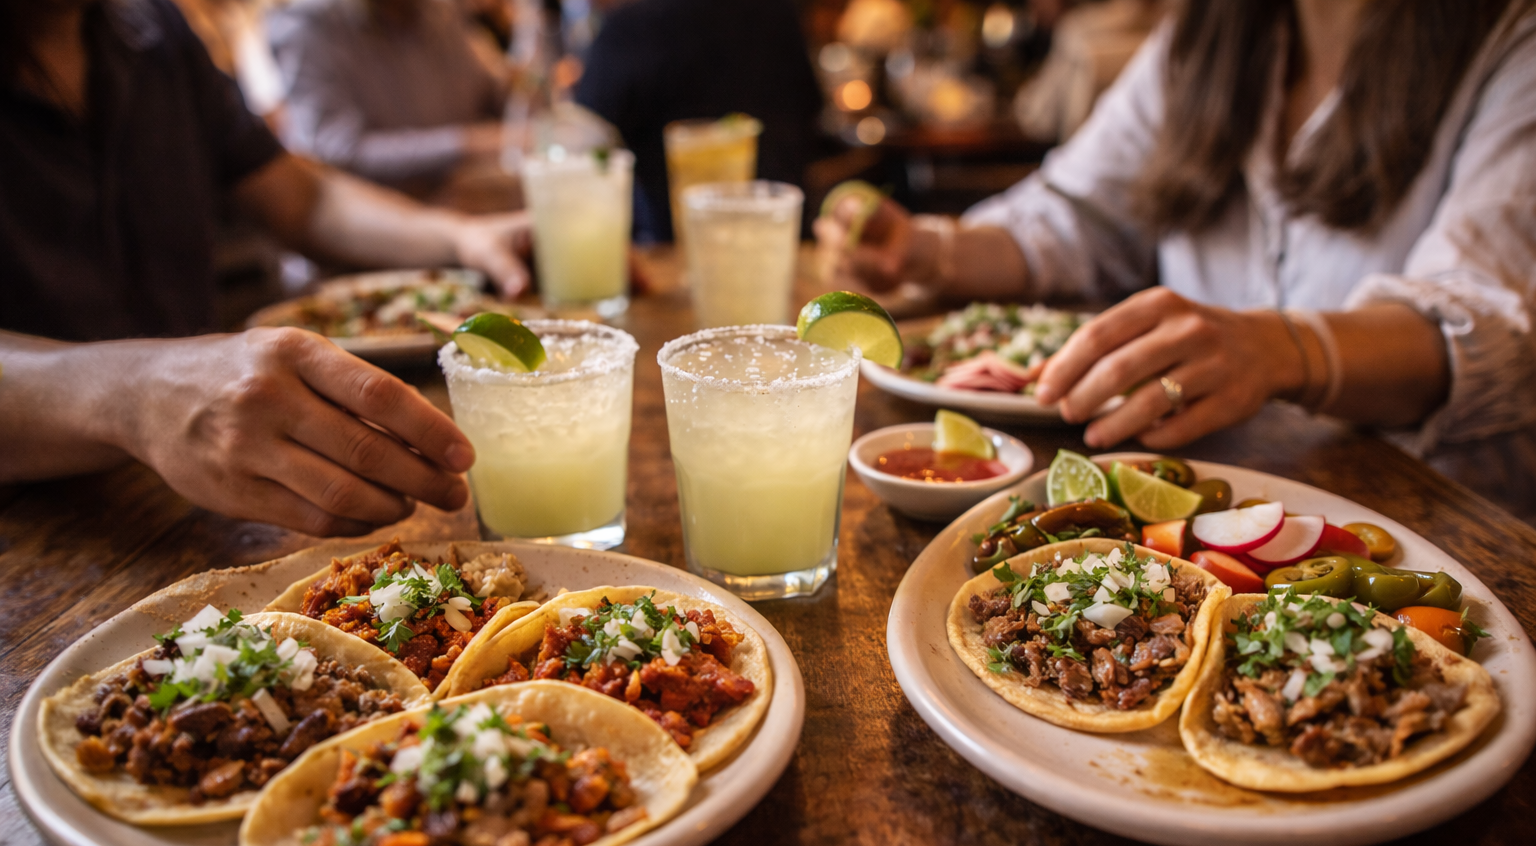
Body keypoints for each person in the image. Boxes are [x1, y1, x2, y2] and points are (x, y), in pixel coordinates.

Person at [818, 0, 1536, 522]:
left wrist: (1286, 350)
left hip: (1436, 518)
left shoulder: (1512, 40)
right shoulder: (1204, 35)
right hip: (1202, 500)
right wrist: (926, 251)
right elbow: (1074, 217)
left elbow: (1490, 334)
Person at [0, 0, 536, 536]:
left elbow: (301, 198)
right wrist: (135, 396)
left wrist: (461, 237)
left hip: (210, 504)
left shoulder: (152, 26)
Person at [573, 0, 823, 241]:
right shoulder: (781, 12)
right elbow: (813, 109)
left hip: (668, 252)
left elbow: (583, 145)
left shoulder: (627, 27)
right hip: (784, 240)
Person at [267, 0, 510, 196]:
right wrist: (467, 144)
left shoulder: (438, 10)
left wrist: (526, 82)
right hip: (371, 243)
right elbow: (337, 153)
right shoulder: (308, 24)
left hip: (459, 208)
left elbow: (488, 94)